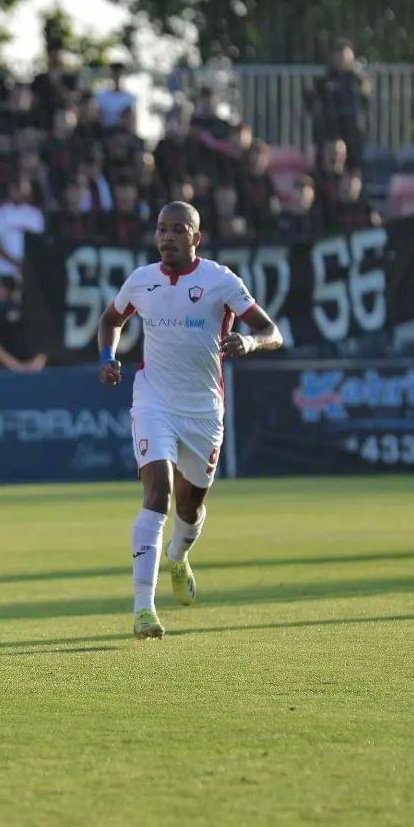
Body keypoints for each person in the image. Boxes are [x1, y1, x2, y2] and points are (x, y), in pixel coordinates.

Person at [97, 201, 284, 638]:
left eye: (178, 229)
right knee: (156, 494)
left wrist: (250, 344)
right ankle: (144, 608)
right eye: (162, 229)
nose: (167, 237)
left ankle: (178, 557)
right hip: (153, 400)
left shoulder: (220, 281)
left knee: (189, 506)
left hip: (203, 411)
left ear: (196, 237)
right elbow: (110, 320)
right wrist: (107, 357)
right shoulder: (141, 281)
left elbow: (272, 332)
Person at [306, 39, 370, 170]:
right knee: (327, 167)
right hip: (329, 132)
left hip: (352, 133)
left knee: (354, 168)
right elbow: (312, 104)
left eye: (345, 56)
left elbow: (366, 103)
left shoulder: (358, 80)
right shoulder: (323, 80)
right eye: (339, 55)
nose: (342, 60)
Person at [0, 179, 45, 285]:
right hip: (3, 271)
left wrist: (27, 264)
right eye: (15, 188)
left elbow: (38, 243)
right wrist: (16, 263)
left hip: (29, 272)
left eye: (22, 189)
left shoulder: (35, 214)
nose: (18, 192)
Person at [0, 277, 45, 373]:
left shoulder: (34, 312)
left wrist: (36, 363)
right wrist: (18, 367)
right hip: (6, 372)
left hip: (35, 369)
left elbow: (46, 344)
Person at [96, 62, 136, 130]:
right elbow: (99, 119)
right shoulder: (102, 96)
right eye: (115, 73)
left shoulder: (129, 98)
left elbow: (132, 122)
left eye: (120, 73)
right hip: (106, 133)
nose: (117, 77)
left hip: (123, 134)